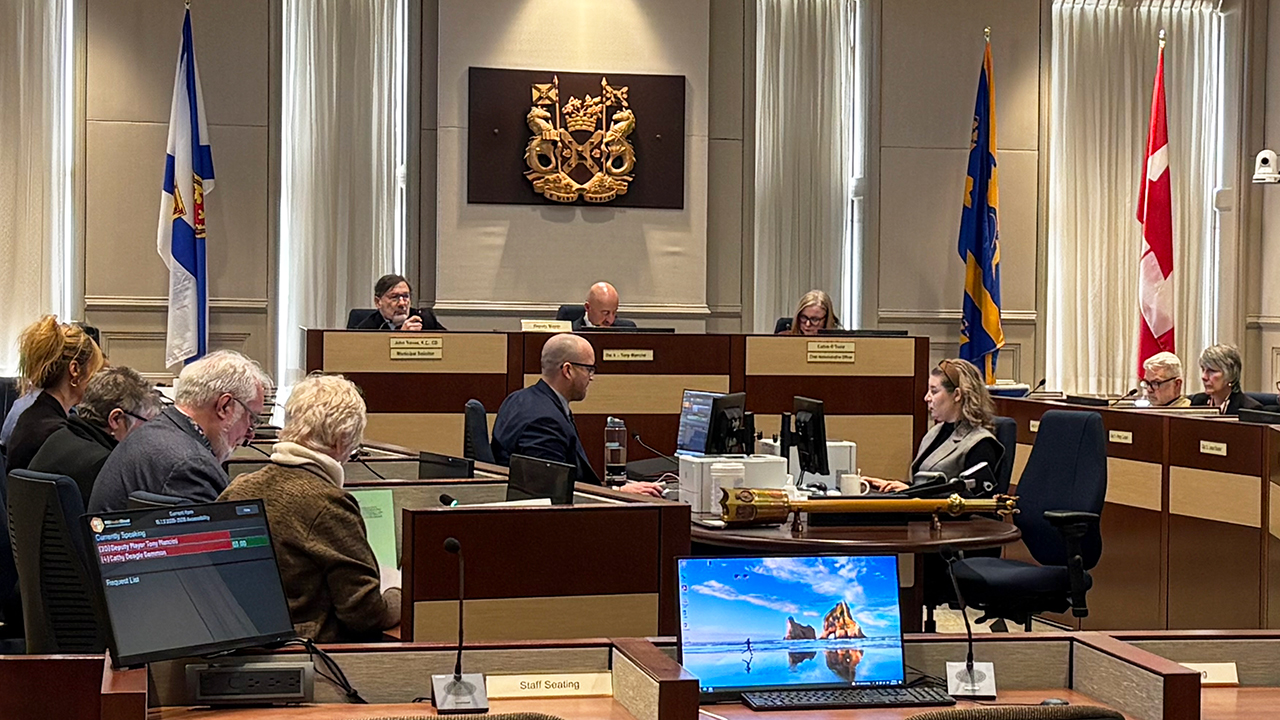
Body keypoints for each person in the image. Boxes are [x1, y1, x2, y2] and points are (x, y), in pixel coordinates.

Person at [218, 374, 400, 642]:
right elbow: (365, 614)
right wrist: (398, 593)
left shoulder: (238, 489)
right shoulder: (328, 503)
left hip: (247, 648)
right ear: (341, 440)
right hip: (311, 658)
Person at [88, 350, 272, 512]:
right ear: (224, 406)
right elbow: (212, 547)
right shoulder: (191, 465)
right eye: (252, 419)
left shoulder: (151, 431)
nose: (251, 435)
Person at [490, 333, 662, 497]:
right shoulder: (546, 422)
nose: (591, 377)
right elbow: (551, 494)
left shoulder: (518, 399)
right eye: (589, 369)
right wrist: (616, 494)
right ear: (568, 370)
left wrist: (614, 489)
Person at [865, 358, 1002, 495]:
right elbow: (922, 483)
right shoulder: (934, 432)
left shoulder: (980, 443)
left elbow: (971, 500)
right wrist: (892, 485)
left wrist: (911, 493)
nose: (926, 398)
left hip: (945, 515)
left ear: (957, 395)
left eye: (934, 391)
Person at [28, 366, 163, 503]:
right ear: (115, 419)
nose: (148, 432)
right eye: (146, 423)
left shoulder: (58, 437)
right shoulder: (105, 466)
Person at [5, 316, 105, 472]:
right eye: (94, 372)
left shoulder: (30, 417)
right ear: (75, 370)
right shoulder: (58, 435)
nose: (96, 380)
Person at [349, 274, 446, 331]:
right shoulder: (367, 328)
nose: (402, 303)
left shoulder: (425, 319)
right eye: (394, 297)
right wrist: (400, 337)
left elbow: (450, 345)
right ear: (378, 302)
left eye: (405, 296)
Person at [1189, 344, 1263, 415]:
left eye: (1212, 371)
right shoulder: (1197, 401)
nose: (1204, 377)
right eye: (1203, 369)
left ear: (1231, 375)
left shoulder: (1249, 410)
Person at [572, 281, 636, 330]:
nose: (611, 320)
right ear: (588, 307)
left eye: (614, 312)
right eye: (605, 313)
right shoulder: (571, 332)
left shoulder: (627, 330)